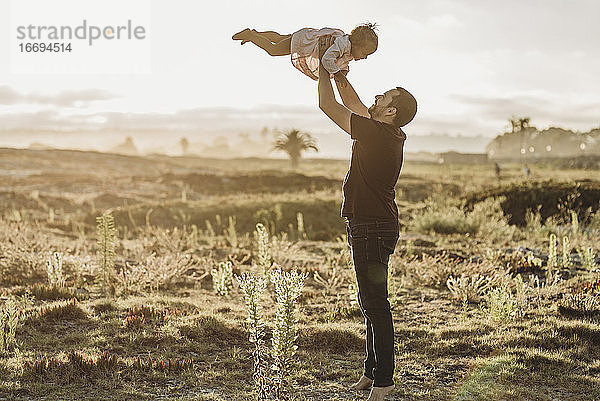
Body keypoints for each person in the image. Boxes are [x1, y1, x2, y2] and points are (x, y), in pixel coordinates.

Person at [316, 36, 417, 401]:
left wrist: (322, 70)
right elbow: (354, 102)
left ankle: (385, 382)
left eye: (384, 97)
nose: (377, 98)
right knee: (370, 301)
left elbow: (330, 106)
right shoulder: (386, 132)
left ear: (390, 111)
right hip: (373, 224)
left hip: (372, 226)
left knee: (375, 302)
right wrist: (339, 71)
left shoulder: (377, 134)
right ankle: (371, 373)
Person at [232, 24, 378, 81]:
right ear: (356, 44)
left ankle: (257, 34)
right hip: (303, 44)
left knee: (280, 38)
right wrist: (338, 73)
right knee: (274, 50)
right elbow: (327, 59)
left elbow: (342, 62)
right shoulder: (341, 45)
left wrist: (344, 71)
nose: (364, 57)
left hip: (305, 37)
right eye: (365, 53)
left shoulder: (348, 49)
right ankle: (251, 36)